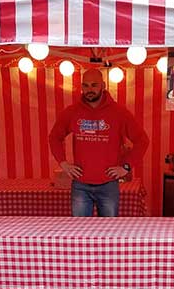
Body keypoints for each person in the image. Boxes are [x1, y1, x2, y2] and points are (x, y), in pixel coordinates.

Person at [49, 68, 149, 217]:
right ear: (82, 87)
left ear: (103, 85)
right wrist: (63, 163)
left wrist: (126, 167)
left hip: (108, 185)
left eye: (94, 85)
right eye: (86, 85)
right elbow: (54, 137)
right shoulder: (72, 112)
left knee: (108, 232)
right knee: (81, 234)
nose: (90, 90)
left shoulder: (119, 113)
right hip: (80, 185)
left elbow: (142, 140)